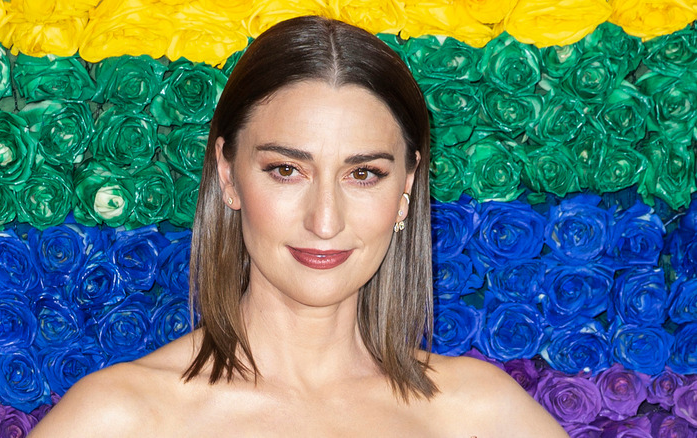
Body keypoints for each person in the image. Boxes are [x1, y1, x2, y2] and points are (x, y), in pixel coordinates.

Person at [29, 16, 568, 437]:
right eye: (286, 170)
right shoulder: (119, 420)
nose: (325, 221)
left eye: (364, 174)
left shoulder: (481, 415)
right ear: (228, 175)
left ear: (406, 189)